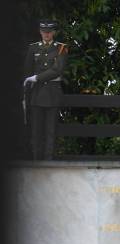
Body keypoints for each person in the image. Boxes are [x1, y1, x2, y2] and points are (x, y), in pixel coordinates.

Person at [23, 19, 68, 160]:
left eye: (49, 32)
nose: (46, 34)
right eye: (44, 32)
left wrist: (36, 78)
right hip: (36, 94)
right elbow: (27, 72)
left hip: (53, 93)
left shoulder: (61, 48)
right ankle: (36, 160)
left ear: (53, 32)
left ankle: (49, 161)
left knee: (51, 131)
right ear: (40, 32)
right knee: (36, 131)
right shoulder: (33, 48)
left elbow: (57, 70)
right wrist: (25, 94)